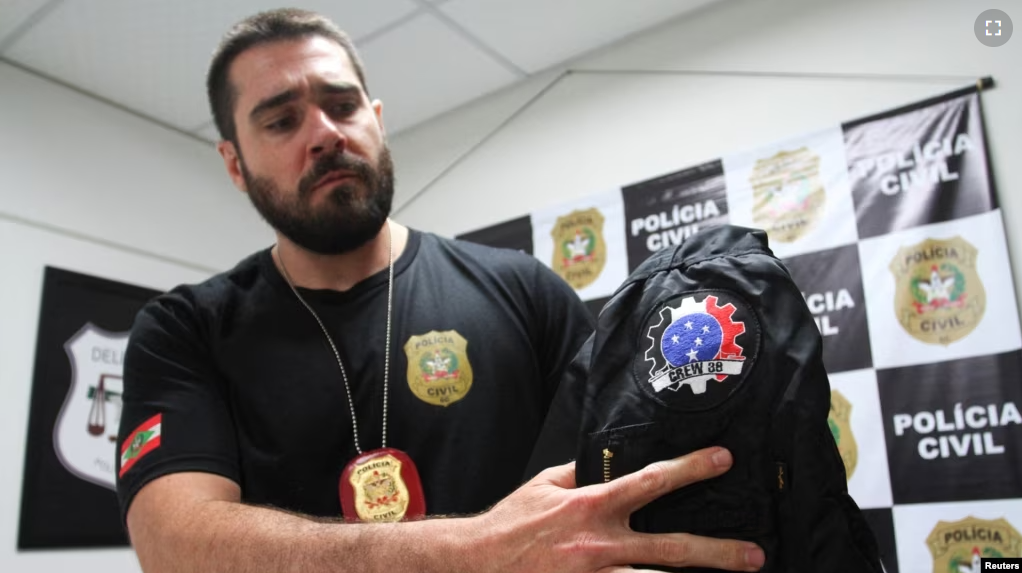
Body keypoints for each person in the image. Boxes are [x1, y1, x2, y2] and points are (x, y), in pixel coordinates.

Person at [115, 8, 765, 573]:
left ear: (374, 118)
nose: (324, 134)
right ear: (235, 162)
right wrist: (474, 549)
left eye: (341, 106)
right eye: (281, 121)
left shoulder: (524, 290)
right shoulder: (186, 330)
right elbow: (175, 547)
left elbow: (620, 492)